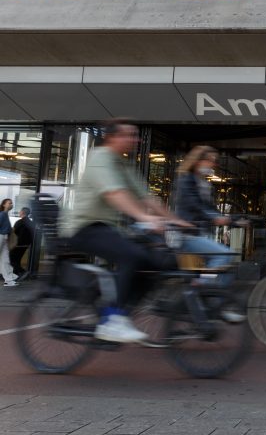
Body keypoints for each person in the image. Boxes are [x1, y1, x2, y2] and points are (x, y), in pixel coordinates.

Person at [62, 119, 190, 343]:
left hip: (108, 228)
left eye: (136, 135)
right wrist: (144, 218)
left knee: (154, 264)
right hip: (84, 227)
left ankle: (120, 313)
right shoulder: (100, 158)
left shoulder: (123, 164)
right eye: (129, 135)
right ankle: (113, 320)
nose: (136, 139)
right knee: (133, 256)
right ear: (111, 137)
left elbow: (146, 197)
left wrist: (175, 220)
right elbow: (115, 194)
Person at [173, 146, 234, 270]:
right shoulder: (187, 180)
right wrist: (215, 218)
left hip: (199, 233)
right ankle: (204, 285)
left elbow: (209, 208)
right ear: (197, 161)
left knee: (212, 264)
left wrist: (227, 218)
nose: (213, 164)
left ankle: (201, 284)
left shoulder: (203, 183)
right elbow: (194, 205)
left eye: (214, 160)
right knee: (224, 255)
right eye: (210, 160)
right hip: (188, 234)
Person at [10, 207, 34, 281]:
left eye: (20, 211)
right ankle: (16, 275)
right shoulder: (30, 222)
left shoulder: (19, 222)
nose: (19, 212)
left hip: (18, 244)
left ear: (23, 212)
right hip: (25, 245)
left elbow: (12, 232)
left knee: (11, 259)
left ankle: (23, 272)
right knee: (17, 260)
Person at [0, 199, 18, 286]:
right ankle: (9, 278)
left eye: (12, 203)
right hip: (1, 236)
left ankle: (9, 279)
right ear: (4, 205)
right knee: (4, 259)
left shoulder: (6, 214)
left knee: (5, 259)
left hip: (4, 238)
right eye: (9, 203)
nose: (11, 204)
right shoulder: (2, 214)